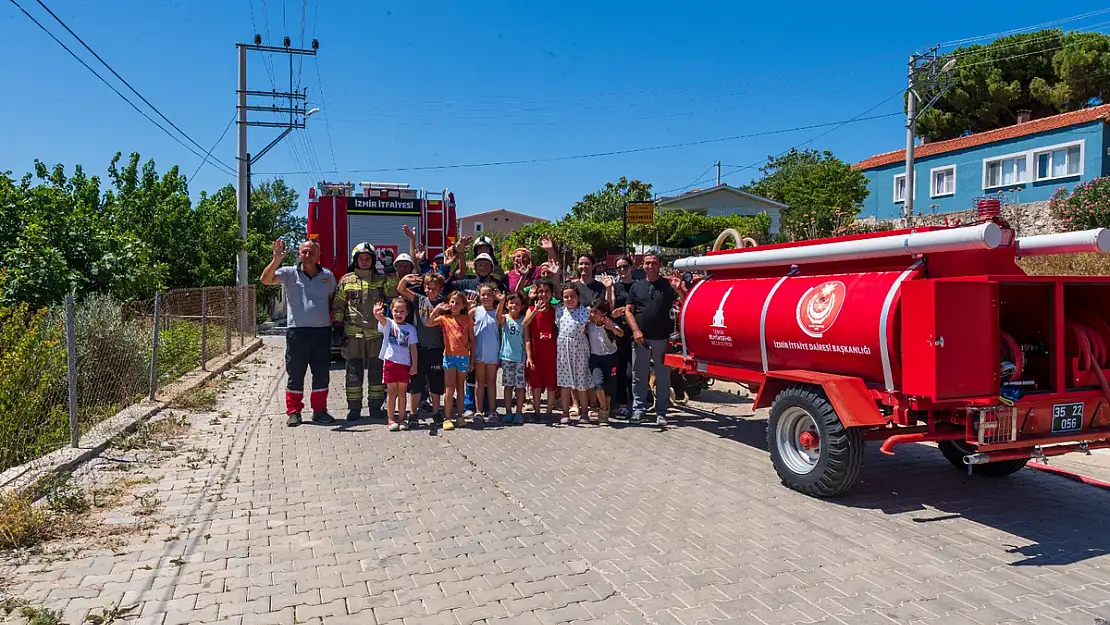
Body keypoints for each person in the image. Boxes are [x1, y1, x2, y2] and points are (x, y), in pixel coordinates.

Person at [261, 239, 337, 427]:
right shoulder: (288, 273)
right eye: (304, 252)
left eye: (312, 252)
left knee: (321, 374)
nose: (308, 255)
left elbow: (332, 300)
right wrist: (276, 259)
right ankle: (294, 412)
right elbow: (265, 280)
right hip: (297, 333)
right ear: (299, 254)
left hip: (322, 332)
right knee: (295, 373)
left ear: (319, 255)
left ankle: (320, 411)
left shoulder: (328, 276)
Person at [333, 242, 397, 422]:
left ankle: (376, 408)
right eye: (361, 258)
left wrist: (389, 269)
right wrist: (337, 326)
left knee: (377, 374)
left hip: (376, 335)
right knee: (353, 373)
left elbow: (393, 290)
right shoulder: (346, 280)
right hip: (353, 336)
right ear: (355, 260)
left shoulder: (380, 280)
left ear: (373, 260)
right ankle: (354, 409)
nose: (364, 261)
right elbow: (339, 305)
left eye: (368, 258)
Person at [625, 252, 687, 427]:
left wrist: (680, 289)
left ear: (659, 265)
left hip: (662, 338)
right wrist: (636, 330)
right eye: (647, 263)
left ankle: (661, 412)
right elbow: (628, 310)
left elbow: (685, 303)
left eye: (654, 263)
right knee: (639, 375)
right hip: (641, 339)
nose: (650, 266)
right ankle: (638, 409)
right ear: (642, 266)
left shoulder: (668, 286)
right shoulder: (636, 287)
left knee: (662, 377)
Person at [397, 272, 447, 425]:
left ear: (440, 289)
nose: (430, 290)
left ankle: (436, 412)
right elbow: (401, 290)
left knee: (436, 382)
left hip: (437, 348)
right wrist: (405, 279)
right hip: (419, 348)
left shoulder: (444, 304)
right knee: (417, 382)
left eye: (434, 288)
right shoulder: (420, 299)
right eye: (427, 287)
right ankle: (413, 414)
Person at [427, 290, 474, 430]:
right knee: (449, 388)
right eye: (452, 302)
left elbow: (472, 340)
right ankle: (447, 418)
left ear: (463, 305)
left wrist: (471, 358)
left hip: (464, 357)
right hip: (449, 356)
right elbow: (429, 323)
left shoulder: (467, 319)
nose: (454, 305)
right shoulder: (444, 318)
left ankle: (459, 416)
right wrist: (437, 310)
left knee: (461, 388)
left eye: (457, 303)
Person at [372, 298, 418, 431]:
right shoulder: (388, 324)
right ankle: (391, 419)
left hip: (404, 364)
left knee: (402, 393)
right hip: (390, 363)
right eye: (396, 311)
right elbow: (380, 318)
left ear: (407, 313)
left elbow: (413, 348)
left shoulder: (411, 329)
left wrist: (414, 365)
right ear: (391, 311)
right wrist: (377, 313)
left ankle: (402, 419)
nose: (398, 314)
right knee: (391, 393)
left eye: (402, 311)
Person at [554, 282, 592, 425]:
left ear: (578, 297)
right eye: (566, 297)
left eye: (572, 296)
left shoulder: (584, 311)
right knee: (565, 383)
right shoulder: (560, 310)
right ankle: (565, 412)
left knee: (581, 382)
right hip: (564, 350)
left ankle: (584, 412)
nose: (569, 299)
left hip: (580, 349)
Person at [524, 279, 558, 421]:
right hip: (536, 353)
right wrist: (529, 356)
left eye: (547, 291)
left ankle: (549, 411)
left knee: (551, 382)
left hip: (551, 353)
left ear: (551, 294)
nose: (543, 294)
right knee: (535, 383)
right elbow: (524, 326)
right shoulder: (531, 310)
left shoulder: (555, 310)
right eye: (540, 292)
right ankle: (537, 411)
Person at [587, 297, 624, 426]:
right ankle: (603, 409)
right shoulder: (589, 324)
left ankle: (605, 411)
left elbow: (621, 334)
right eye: (591, 312)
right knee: (598, 384)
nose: (593, 315)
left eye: (596, 312)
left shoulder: (609, 323)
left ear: (603, 313)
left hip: (611, 358)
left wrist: (611, 327)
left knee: (610, 387)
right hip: (596, 358)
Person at [471, 281, 502, 425]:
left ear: (494, 296)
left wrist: (501, 301)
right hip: (478, 352)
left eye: (489, 295)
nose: (485, 297)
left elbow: (501, 322)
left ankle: (492, 410)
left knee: (491, 382)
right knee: (479, 382)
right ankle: (478, 411)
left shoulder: (497, 311)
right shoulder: (475, 311)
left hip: (492, 352)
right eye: (482, 295)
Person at [610, 256, 637, 418]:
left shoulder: (638, 285)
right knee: (621, 372)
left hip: (635, 333)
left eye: (625, 267)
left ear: (631, 267)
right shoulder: (614, 287)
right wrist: (613, 315)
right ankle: (622, 404)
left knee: (634, 372)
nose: (622, 270)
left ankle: (637, 403)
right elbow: (610, 309)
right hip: (620, 333)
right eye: (618, 268)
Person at [497, 291, 528, 425]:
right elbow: (497, 317)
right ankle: (508, 412)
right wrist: (501, 301)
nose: (514, 306)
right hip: (507, 358)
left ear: (522, 306)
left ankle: (519, 412)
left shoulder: (523, 320)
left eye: (517, 303)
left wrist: (528, 357)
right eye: (511, 303)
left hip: (520, 358)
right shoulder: (505, 318)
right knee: (508, 386)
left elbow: (526, 339)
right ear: (507, 304)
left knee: (520, 387)